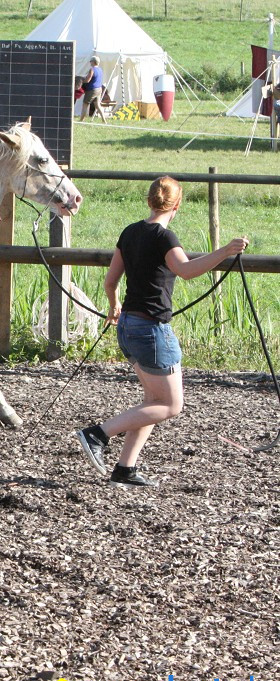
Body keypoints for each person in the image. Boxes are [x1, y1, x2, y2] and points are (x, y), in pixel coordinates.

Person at [74, 177, 249, 489]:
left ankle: (125, 468)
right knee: (171, 405)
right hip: (152, 329)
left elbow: (110, 281)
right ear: (177, 205)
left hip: (128, 325)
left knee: (152, 401)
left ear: (149, 200)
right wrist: (225, 250)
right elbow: (186, 270)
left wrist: (114, 307)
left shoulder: (130, 232)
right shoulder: (164, 236)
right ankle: (97, 433)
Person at [79, 56, 105, 122]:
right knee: (98, 105)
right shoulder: (100, 69)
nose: (90, 62)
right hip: (99, 89)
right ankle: (104, 120)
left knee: (85, 104)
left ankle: (81, 120)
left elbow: (87, 80)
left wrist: (81, 81)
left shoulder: (92, 69)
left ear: (93, 62)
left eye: (90, 61)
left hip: (92, 90)